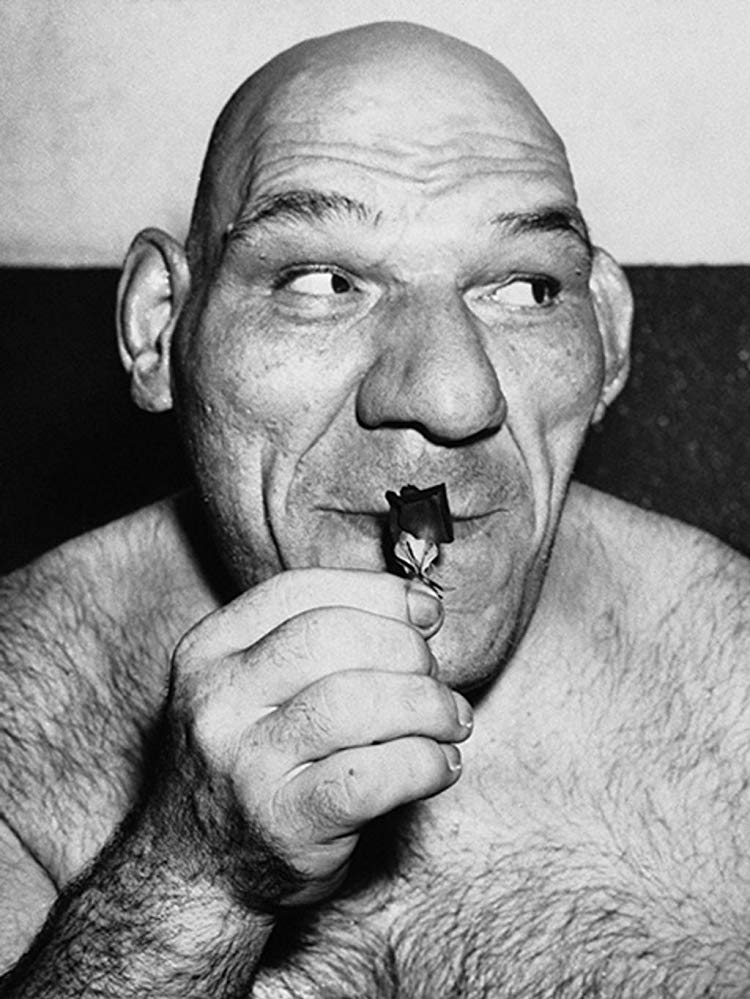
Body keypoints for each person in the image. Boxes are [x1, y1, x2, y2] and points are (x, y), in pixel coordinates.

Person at [1, 19, 749, 998]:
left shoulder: (736, 691)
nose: (452, 398)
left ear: (605, 337)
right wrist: (193, 879)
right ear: (159, 330)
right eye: (321, 281)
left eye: (528, 287)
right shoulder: (18, 710)